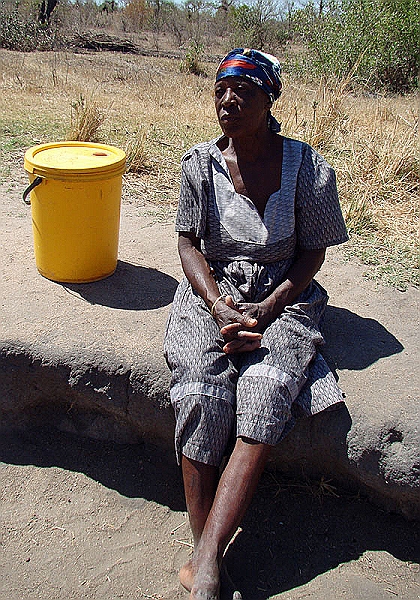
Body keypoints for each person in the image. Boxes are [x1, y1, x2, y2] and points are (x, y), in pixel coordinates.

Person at [164, 48, 348, 600]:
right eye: (220, 90)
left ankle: (205, 564)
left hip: (284, 297)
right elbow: (188, 243)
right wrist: (219, 306)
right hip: (210, 294)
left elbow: (312, 254)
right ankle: (210, 557)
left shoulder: (309, 169)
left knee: (265, 395)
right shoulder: (199, 164)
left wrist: (268, 310)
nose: (227, 101)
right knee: (199, 392)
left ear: (270, 100)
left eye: (242, 91)